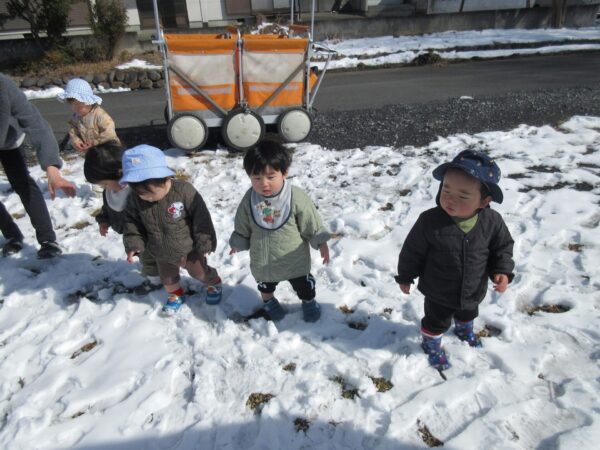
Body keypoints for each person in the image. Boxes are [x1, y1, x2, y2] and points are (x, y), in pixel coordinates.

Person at [395, 150, 514, 371]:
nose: (450, 199)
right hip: (438, 292)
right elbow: (412, 251)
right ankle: (431, 345)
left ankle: (464, 330)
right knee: (436, 322)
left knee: (468, 313)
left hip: (473, 288)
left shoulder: (492, 222)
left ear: (484, 201)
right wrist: (405, 276)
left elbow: (502, 248)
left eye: (463, 196)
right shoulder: (429, 221)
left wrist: (502, 270)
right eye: (446, 190)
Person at [229, 138, 331, 323]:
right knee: (265, 286)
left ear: (284, 173)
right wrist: (239, 241)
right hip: (264, 259)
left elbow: (311, 222)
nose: (264, 183)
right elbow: (242, 222)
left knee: (304, 285)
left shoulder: (295, 196)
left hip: (293, 258)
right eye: (257, 178)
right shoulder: (250, 199)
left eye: (270, 177)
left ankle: (309, 302)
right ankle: (269, 303)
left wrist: (321, 242)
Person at [120, 145, 222, 314]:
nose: (146, 198)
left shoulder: (183, 191)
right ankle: (176, 295)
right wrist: (133, 244)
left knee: (200, 273)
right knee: (168, 278)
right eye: (141, 194)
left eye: (150, 193)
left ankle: (214, 283)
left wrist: (205, 242)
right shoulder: (135, 200)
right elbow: (132, 224)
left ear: (166, 178)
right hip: (160, 251)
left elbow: (201, 218)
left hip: (189, 249)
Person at [1, 73, 76, 258]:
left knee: (21, 182)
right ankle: (12, 235)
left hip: (8, 139)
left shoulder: (4, 86)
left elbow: (37, 125)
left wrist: (52, 167)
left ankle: (47, 240)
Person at [83, 142, 160, 292]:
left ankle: (155, 281)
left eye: (105, 184)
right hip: (130, 234)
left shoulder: (137, 192)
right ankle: (157, 272)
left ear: (119, 174)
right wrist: (104, 220)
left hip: (145, 236)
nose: (104, 188)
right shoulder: (110, 192)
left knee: (149, 259)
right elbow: (107, 208)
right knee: (145, 258)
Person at [57, 78, 120, 152]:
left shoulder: (100, 115)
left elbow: (110, 133)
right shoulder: (77, 116)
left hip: (109, 150)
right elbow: (73, 130)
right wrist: (76, 141)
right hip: (91, 150)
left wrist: (94, 142)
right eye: (73, 107)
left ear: (88, 102)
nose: (76, 110)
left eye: (79, 107)